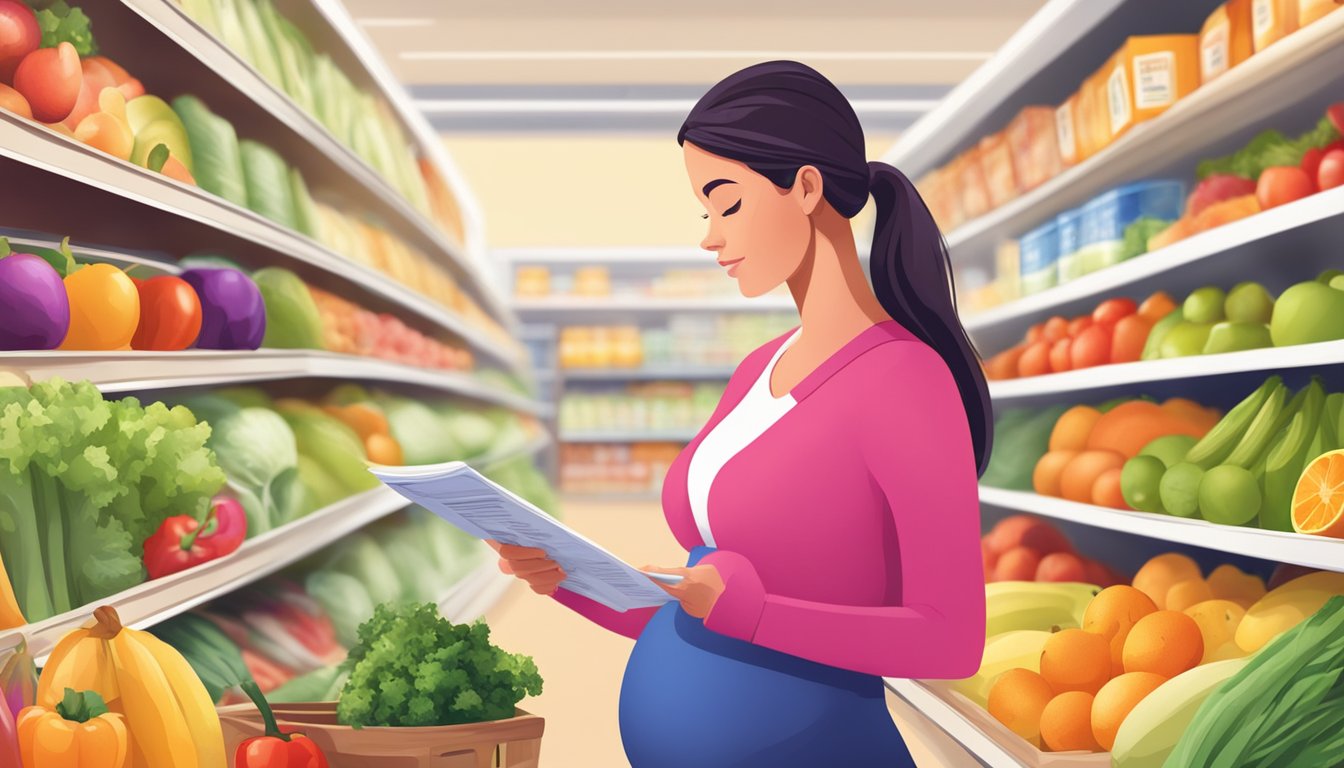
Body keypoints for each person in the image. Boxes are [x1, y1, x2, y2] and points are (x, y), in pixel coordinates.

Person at [490, 60, 991, 767]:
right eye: (704, 211)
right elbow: (700, 613)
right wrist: (567, 581)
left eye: (726, 204)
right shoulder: (758, 368)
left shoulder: (906, 379)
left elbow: (950, 639)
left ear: (807, 188)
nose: (709, 236)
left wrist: (755, 613)